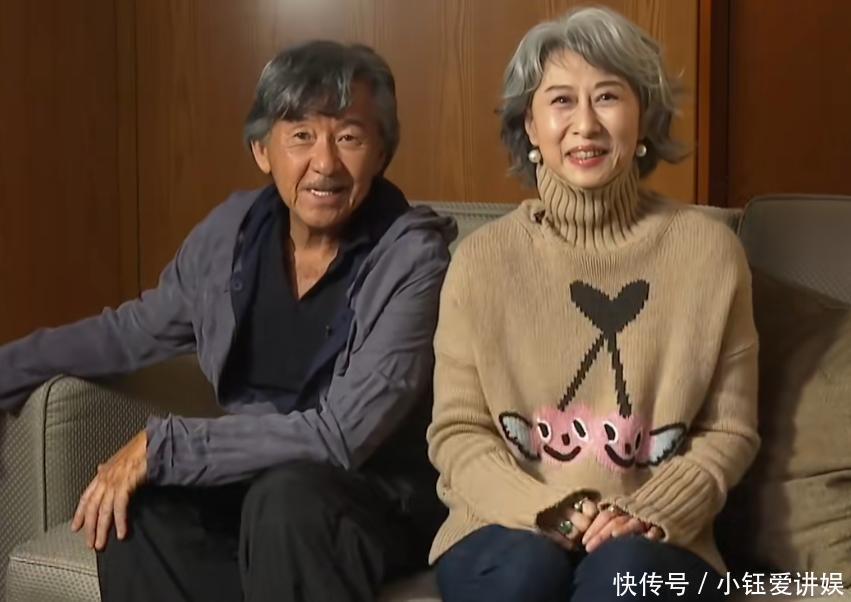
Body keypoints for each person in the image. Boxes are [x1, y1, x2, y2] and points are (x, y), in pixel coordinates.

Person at [0, 40, 455, 601]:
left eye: (349, 137)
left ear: (382, 152)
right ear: (263, 150)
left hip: (379, 496)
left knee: (283, 501)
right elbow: (127, 333)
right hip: (258, 486)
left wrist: (169, 446)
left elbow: (343, 434)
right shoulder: (231, 234)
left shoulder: (414, 259)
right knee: (135, 510)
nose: (325, 163)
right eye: (301, 135)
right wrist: (6, 371)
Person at [427, 6, 758, 601]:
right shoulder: (480, 262)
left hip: (655, 533)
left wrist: (649, 512)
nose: (585, 124)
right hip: (504, 524)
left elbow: (728, 431)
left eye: (607, 97)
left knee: (621, 581)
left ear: (643, 117)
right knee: (523, 576)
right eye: (561, 101)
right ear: (530, 126)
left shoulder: (710, 255)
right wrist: (548, 509)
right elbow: (458, 431)